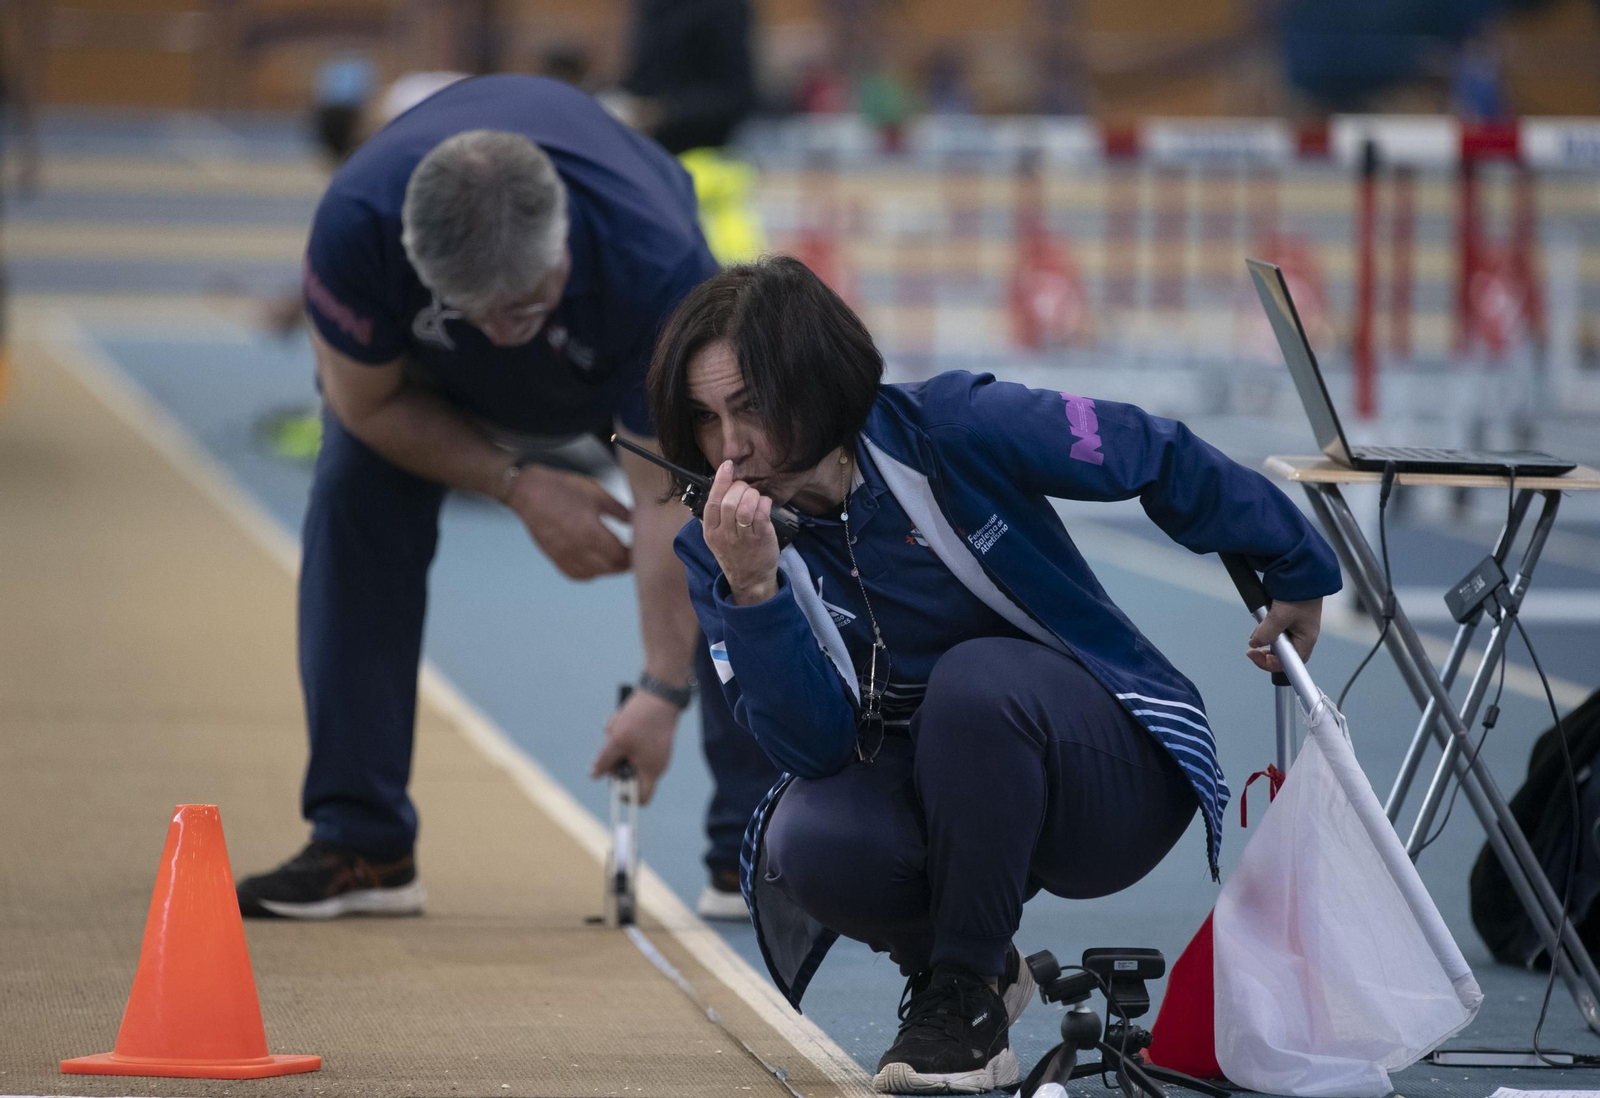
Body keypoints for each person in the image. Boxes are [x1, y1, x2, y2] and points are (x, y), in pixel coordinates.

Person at [650, 257, 1342, 1094]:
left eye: (751, 407)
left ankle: (963, 983)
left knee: (973, 683)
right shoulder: (718, 548)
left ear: (820, 384)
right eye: (705, 418)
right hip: (933, 805)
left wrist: (1293, 561)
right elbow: (812, 747)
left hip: (1102, 783)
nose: (730, 447)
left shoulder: (954, 427)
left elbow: (1145, 450)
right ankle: (967, 984)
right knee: (803, 840)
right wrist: (755, 591)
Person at [235, 75, 777, 922]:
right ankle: (362, 842)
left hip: (613, 347)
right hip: (421, 382)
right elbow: (366, 404)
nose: (498, 333)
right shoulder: (356, 225)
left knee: (727, 519)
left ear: (563, 250)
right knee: (351, 499)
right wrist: (516, 483)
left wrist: (661, 689)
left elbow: (664, 501)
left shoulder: (654, 259)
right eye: (474, 313)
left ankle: (754, 848)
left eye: (520, 310)